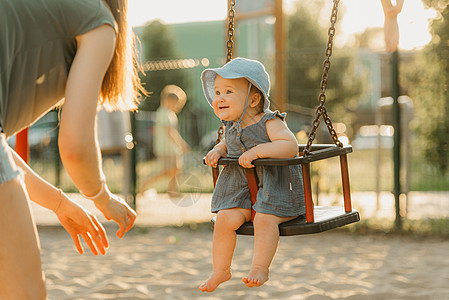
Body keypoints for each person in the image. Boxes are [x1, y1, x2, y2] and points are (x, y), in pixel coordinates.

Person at [0, 0, 143, 298]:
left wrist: (61, 204)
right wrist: (102, 199)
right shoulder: (96, 18)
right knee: (24, 293)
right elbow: (76, 147)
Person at [199, 57, 305, 292]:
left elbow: (290, 145)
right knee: (224, 220)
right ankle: (221, 270)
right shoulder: (232, 126)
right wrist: (217, 150)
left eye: (228, 91)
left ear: (254, 99)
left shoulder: (269, 121)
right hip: (244, 194)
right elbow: (226, 144)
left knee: (264, 220)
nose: (220, 98)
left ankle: (260, 267)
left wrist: (259, 151)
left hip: (275, 192)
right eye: (217, 92)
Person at [140, 85, 190, 196]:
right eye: (175, 103)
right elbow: (170, 131)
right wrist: (181, 144)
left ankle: (173, 190)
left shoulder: (170, 114)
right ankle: (145, 183)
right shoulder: (163, 113)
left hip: (171, 148)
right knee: (166, 170)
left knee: (175, 169)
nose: (176, 106)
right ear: (168, 100)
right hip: (165, 147)